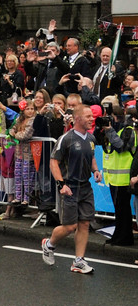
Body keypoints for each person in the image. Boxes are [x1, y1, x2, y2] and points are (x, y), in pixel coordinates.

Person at [41, 104, 100, 273]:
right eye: (88, 116)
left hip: (85, 186)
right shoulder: (66, 138)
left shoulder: (91, 139)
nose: (92, 119)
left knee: (84, 223)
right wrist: (61, 184)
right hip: (70, 187)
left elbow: (92, 156)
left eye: (92, 116)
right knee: (69, 226)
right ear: (78, 118)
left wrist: (95, 170)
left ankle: (78, 261)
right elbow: (54, 162)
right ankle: (49, 244)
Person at [99, 105, 135, 246]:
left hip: (124, 178)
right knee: (118, 209)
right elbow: (106, 147)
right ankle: (118, 235)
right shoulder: (117, 130)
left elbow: (120, 147)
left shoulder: (128, 131)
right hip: (114, 177)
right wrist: (102, 130)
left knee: (123, 209)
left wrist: (110, 131)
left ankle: (125, 238)